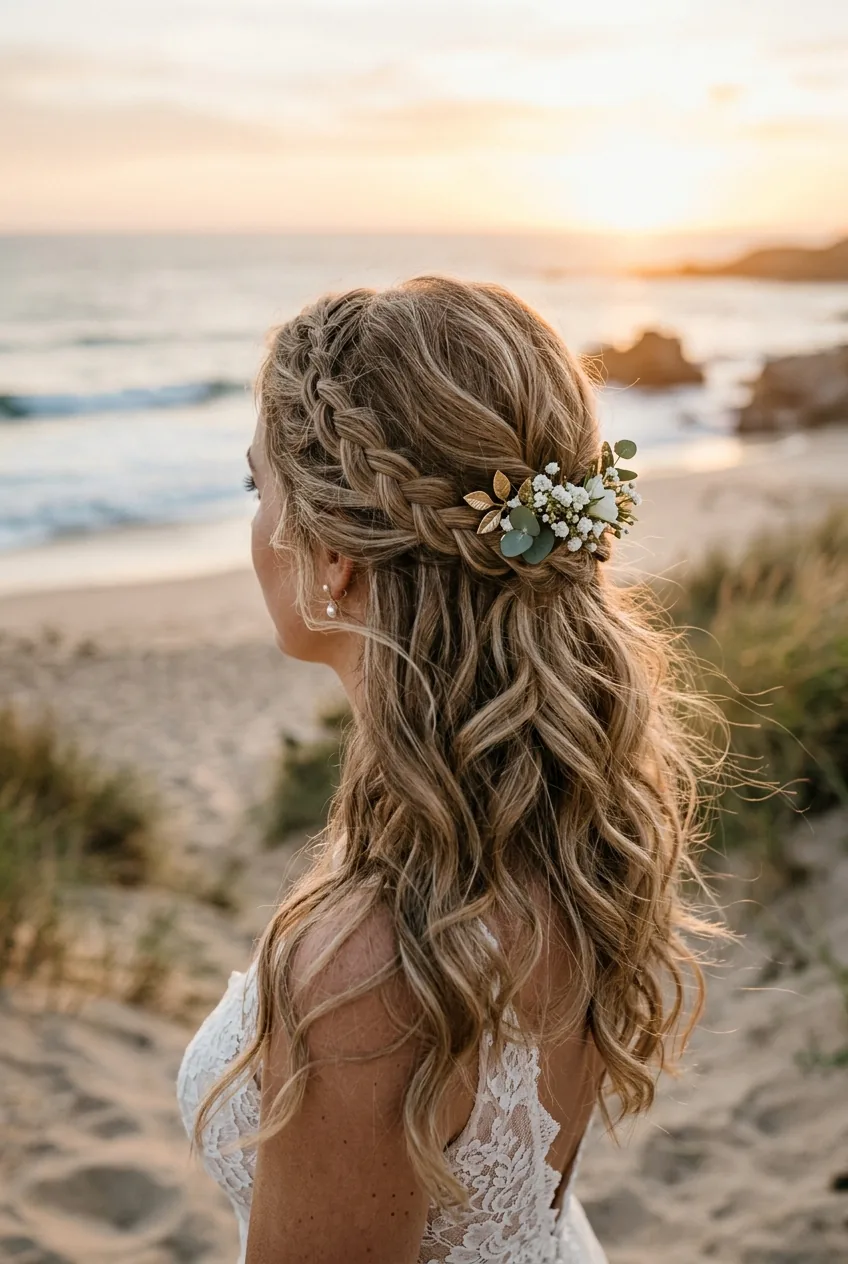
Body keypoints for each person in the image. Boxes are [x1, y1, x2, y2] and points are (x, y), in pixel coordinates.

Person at [177, 276, 724, 1264]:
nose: (257, 526)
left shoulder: (369, 966)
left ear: (333, 553)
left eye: (260, 489)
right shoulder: (564, 817)